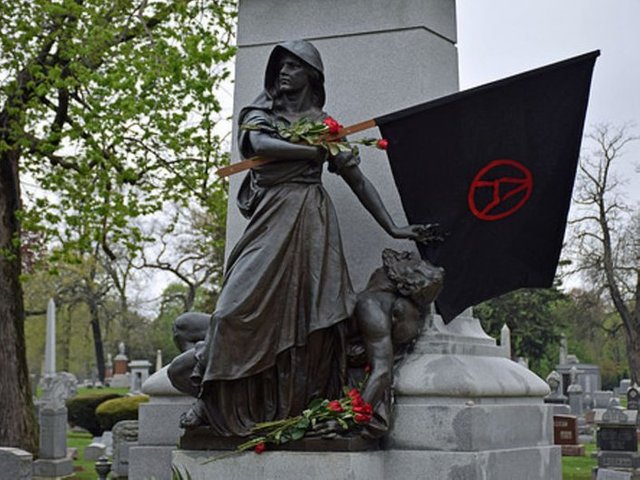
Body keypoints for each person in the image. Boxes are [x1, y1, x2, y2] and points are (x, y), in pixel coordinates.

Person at [168, 40, 434, 437]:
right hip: (271, 215)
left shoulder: (326, 123)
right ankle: (213, 398)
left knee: (309, 322)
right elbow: (257, 145)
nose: (284, 72)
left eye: (293, 66)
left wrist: (392, 226)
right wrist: (314, 151)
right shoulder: (262, 112)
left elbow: (357, 181)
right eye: (280, 66)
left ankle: (288, 406)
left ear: (312, 74)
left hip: (311, 221)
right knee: (230, 310)